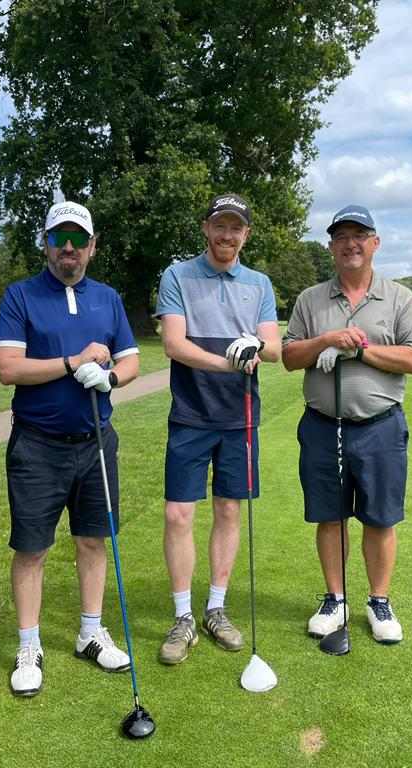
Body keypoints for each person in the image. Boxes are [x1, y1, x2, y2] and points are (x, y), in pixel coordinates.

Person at [0, 201, 140, 696]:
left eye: (79, 239)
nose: (69, 249)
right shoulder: (21, 296)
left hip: (96, 441)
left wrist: (111, 377)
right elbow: (9, 370)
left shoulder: (108, 299)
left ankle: (89, 632)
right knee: (32, 548)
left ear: (93, 246)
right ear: (46, 244)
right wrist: (72, 361)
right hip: (38, 444)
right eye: (59, 239)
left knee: (93, 540)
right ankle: (28, 644)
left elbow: (132, 362)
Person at [282, 204, 412, 645]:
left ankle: (379, 601)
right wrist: (327, 340)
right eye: (342, 236)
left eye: (359, 235)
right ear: (331, 246)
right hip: (323, 425)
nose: (351, 243)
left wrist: (359, 352)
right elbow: (289, 357)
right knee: (330, 516)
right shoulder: (311, 299)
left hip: (380, 426)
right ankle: (335, 597)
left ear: (375, 243)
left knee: (380, 518)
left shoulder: (400, 297)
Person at [154, 193, 281, 665]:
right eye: (220, 226)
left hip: (239, 417)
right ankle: (183, 615)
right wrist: (227, 364)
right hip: (190, 413)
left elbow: (274, 349)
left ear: (246, 234)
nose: (228, 235)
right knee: (177, 515)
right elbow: (173, 343)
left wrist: (253, 346)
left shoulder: (259, 284)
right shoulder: (178, 276)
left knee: (228, 510)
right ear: (207, 228)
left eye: (237, 228)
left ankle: (216, 608)